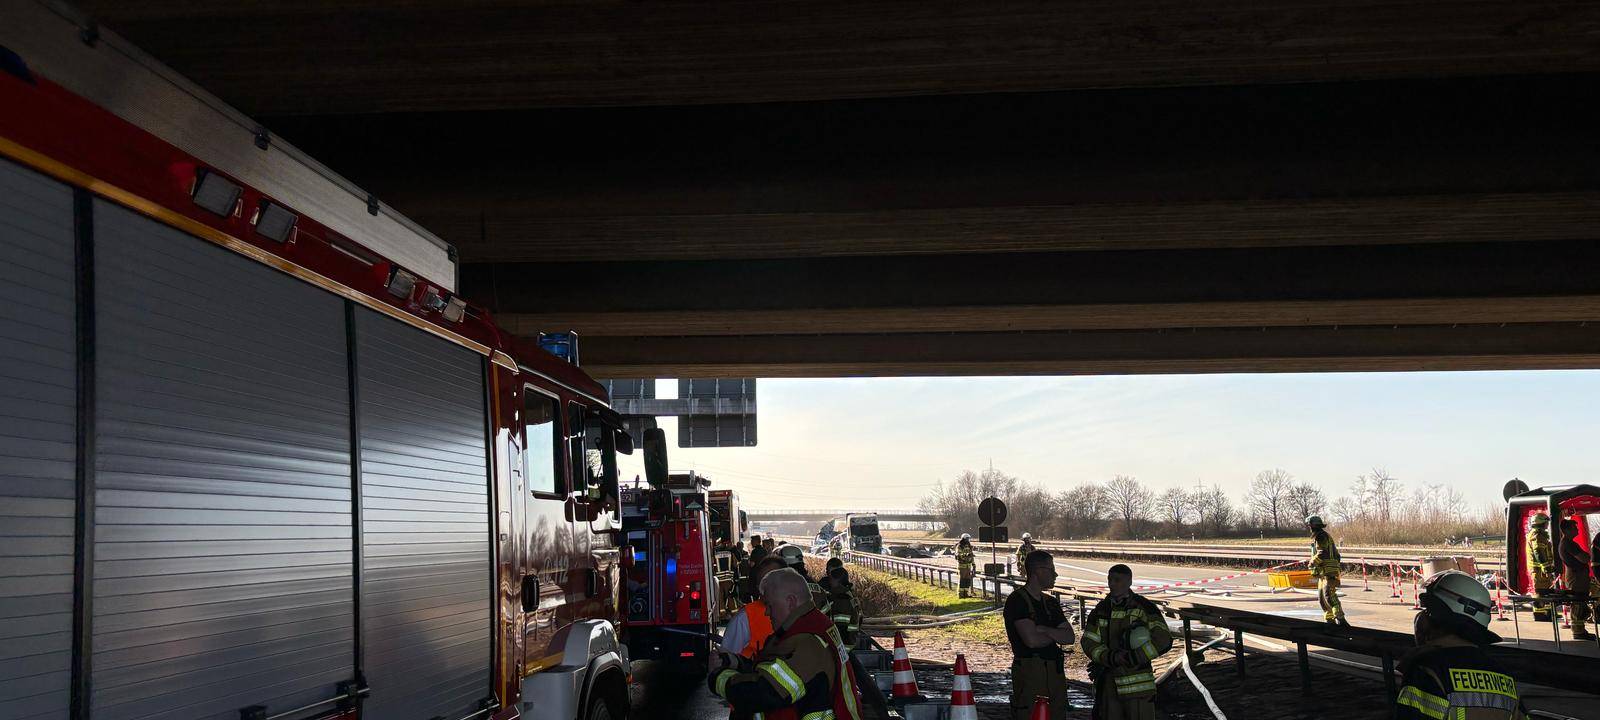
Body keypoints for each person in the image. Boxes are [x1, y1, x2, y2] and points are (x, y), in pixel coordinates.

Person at [709, 568, 865, 720]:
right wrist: (734, 661)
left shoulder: (807, 640)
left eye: (770, 605)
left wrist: (718, 678)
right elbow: (773, 668)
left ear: (790, 602)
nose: (767, 613)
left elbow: (766, 693)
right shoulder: (812, 625)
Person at [1396, 570, 1528, 720]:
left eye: (1428, 610)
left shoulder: (1427, 669)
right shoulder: (1504, 677)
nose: (1422, 617)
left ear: (1439, 617)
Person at [1082, 564, 1171, 720]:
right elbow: (1089, 642)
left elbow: (1163, 640)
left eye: (1118, 580)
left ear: (1129, 582)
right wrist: (1109, 657)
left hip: (1138, 688)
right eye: (1110, 579)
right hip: (1109, 685)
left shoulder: (1144, 607)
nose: (1112, 584)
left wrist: (1134, 657)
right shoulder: (1101, 610)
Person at [1005, 550, 1075, 720]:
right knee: (1030, 713)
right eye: (1052, 569)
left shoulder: (1050, 603)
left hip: (1055, 675)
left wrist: (1044, 629)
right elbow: (1032, 641)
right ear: (1039, 571)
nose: (1055, 574)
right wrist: (1055, 634)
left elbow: (1070, 638)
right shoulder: (1018, 601)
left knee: (1057, 713)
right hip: (1030, 675)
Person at [722, 556, 788, 659]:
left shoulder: (802, 613)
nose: (767, 588)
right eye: (763, 583)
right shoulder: (745, 618)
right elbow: (726, 661)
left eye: (773, 581)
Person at [1307, 514, 1349, 626]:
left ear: (1312, 526)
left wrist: (1312, 563)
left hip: (1329, 572)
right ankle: (1329, 620)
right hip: (1323, 573)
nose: (1308, 528)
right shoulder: (1319, 536)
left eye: (1309, 525)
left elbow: (1322, 553)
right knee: (1322, 599)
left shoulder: (1321, 536)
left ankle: (1340, 619)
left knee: (1329, 596)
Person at [1557, 517, 1593, 640]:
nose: (1577, 530)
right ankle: (1578, 631)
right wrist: (1588, 556)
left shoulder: (1568, 543)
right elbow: (1584, 558)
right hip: (1576, 577)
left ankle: (1580, 629)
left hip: (1578, 576)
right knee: (1578, 603)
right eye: (1574, 528)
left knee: (1580, 603)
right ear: (1567, 530)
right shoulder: (1568, 544)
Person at [1525, 513, 1555, 622]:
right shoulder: (1537, 536)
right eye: (1546, 522)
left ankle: (1547, 613)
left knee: (1545, 591)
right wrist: (1546, 566)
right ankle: (1539, 615)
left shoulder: (1539, 535)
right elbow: (1538, 552)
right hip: (1539, 570)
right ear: (1541, 523)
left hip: (1540, 570)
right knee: (1540, 592)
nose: (1547, 524)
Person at [827, 566, 863, 648]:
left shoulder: (841, 599)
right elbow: (860, 620)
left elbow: (840, 628)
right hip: (851, 642)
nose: (830, 582)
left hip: (843, 646)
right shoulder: (851, 595)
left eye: (831, 579)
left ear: (837, 581)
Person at [957, 534, 976, 598]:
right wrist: (966, 556)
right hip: (962, 566)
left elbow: (971, 556)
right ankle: (961, 594)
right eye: (967, 539)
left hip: (968, 567)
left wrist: (973, 564)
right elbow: (959, 555)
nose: (968, 540)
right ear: (963, 539)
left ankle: (966, 593)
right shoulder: (960, 546)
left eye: (968, 539)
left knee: (967, 580)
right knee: (962, 580)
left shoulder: (969, 546)